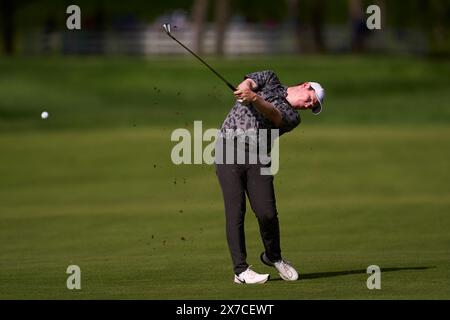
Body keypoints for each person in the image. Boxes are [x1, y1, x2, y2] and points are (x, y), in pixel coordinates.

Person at [215, 70, 325, 284]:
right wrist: (246, 87)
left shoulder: (294, 117)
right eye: (311, 100)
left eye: (311, 107)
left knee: (267, 214)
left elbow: (273, 115)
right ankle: (241, 270)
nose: (307, 105)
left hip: (258, 155)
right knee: (235, 211)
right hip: (227, 148)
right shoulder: (271, 79)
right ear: (305, 86)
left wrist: (254, 97)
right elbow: (249, 81)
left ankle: (273, 256)